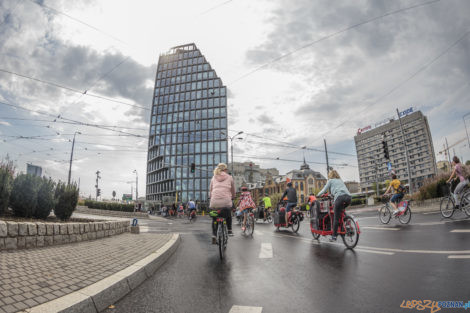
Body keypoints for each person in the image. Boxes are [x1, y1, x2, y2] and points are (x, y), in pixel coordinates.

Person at [317, 170, 351, 242]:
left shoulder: (330, 180)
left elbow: (324, 190)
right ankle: (347, 225)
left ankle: (334, 236)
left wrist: (317, 195)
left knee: (336, 217)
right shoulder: (340, 180)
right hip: (348, 197)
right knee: (342, 212)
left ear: (330, 175)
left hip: (339, 198)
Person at [209, 163, 235, 243]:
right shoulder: (230, 177)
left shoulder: (213, 177)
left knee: (214, 218)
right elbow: (233, 191)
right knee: (228, 214)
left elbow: (211, 190)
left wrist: (211, 198)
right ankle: (229, 230)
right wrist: (233, 197)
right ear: (225, 170)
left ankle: (214, 235)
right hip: (226, 201)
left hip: (214, 202)